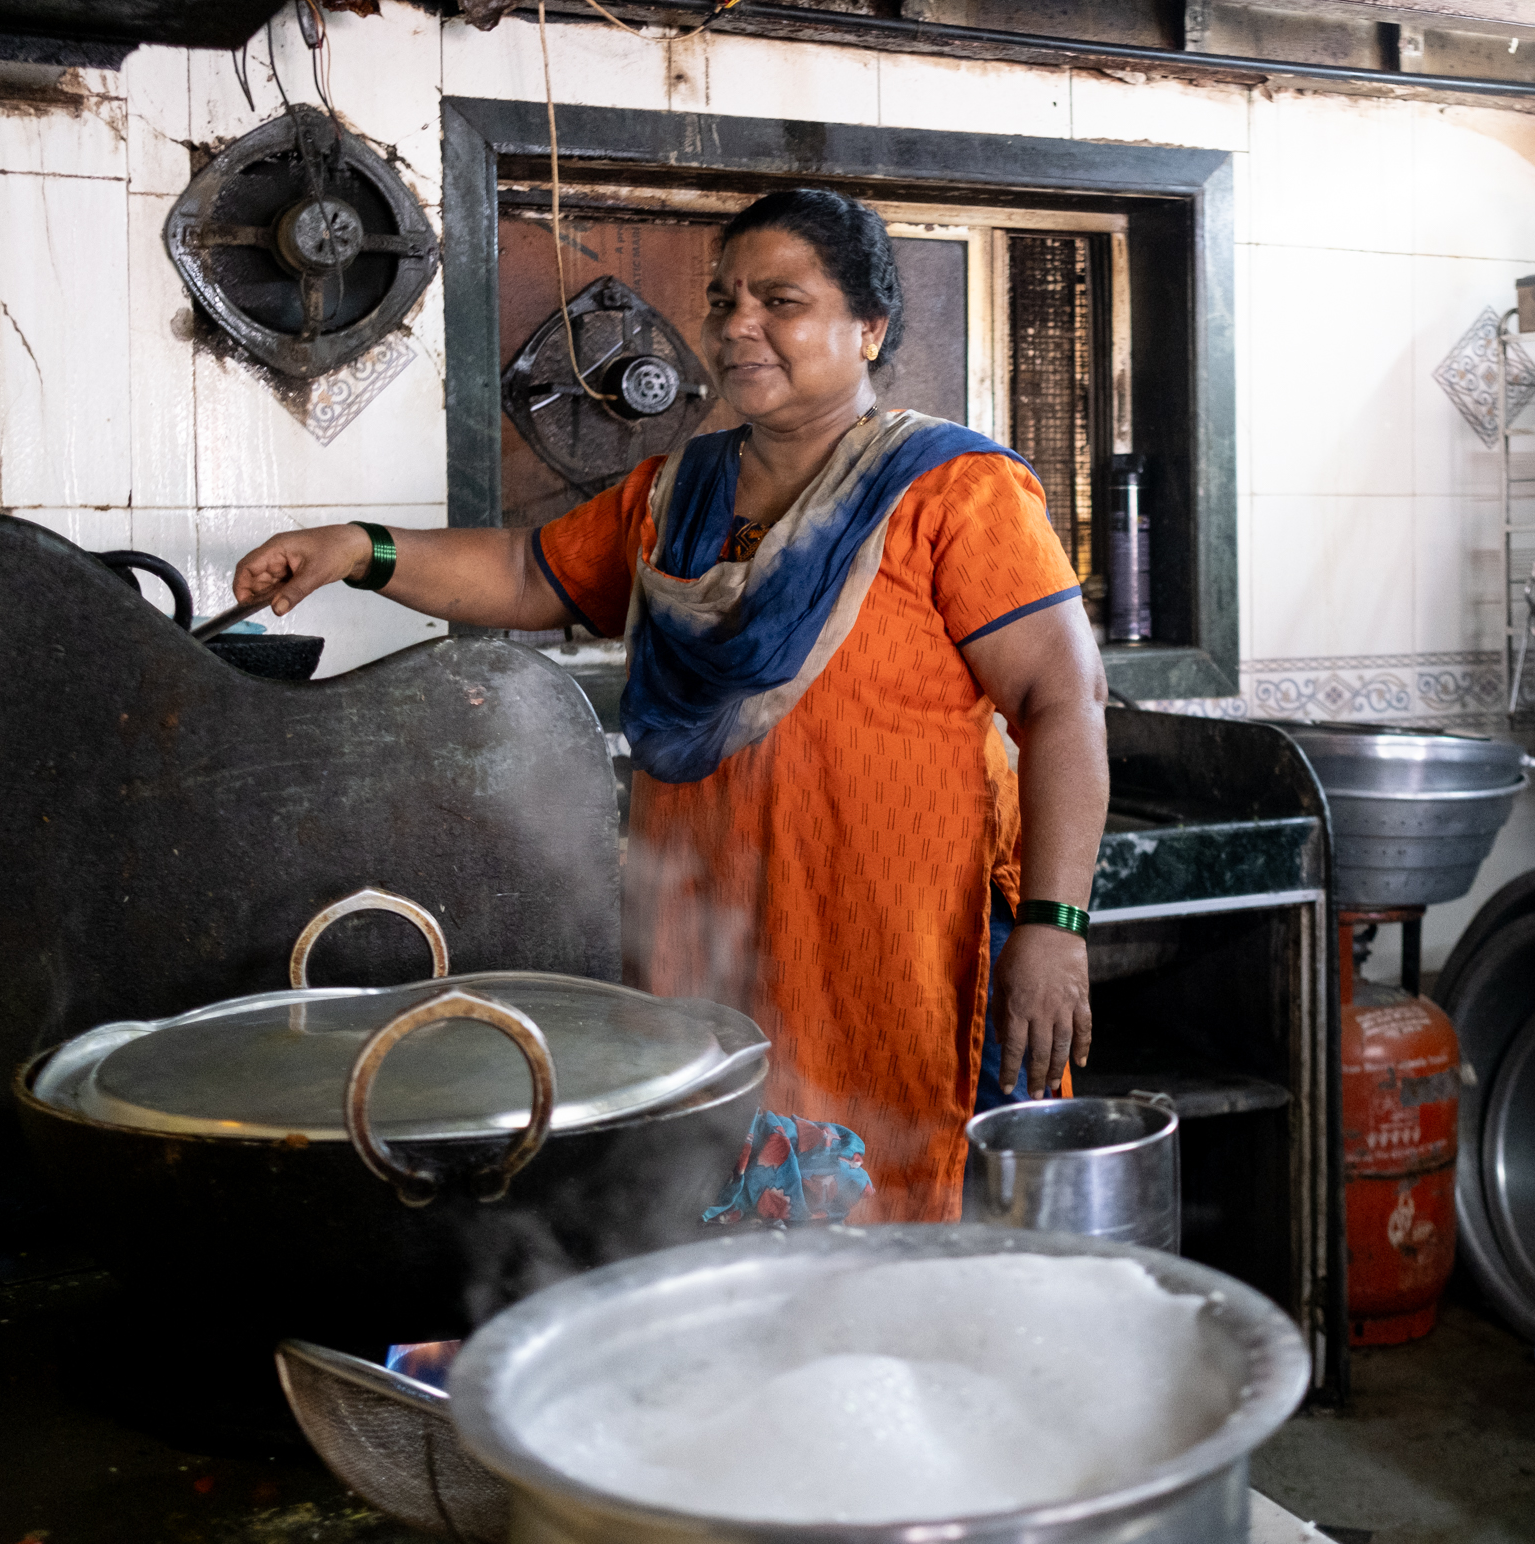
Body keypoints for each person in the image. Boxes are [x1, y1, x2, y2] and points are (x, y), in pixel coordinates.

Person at [227, 188, 1109, 1221]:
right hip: (714, 946)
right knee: (719, 1230)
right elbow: (526, 573)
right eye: (725, 300)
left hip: (896, 947)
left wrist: (1056, 926)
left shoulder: (954, 493)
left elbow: (1064, 699)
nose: (738, 325)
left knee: (899, 1243)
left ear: (869, 326)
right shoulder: (675, 492)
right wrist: (358, 550)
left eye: (781, 301)